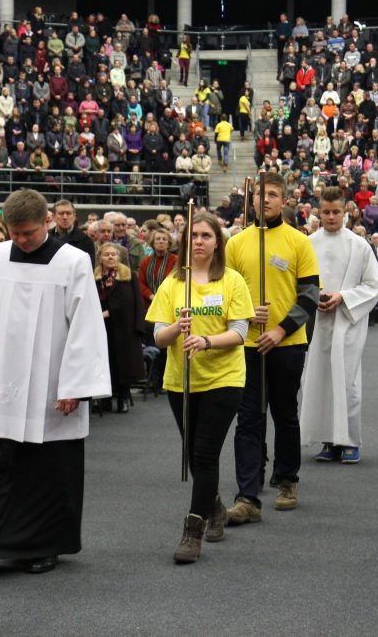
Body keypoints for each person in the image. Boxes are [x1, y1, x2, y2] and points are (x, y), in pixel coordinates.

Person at [0, 190, 110, 574]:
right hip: (3, 382)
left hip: (51, 387)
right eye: (14, 233)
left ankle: (44, 546)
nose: (21, 241)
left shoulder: (73, 261)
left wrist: (75, 386)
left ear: (47, 222)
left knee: (47, 470)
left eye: (28, 233)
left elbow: (85, 328)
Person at [146, 210, 254, 563]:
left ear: (217, 242)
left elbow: (239, 333)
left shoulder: (233, 281)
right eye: (193, 236)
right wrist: (177, 328)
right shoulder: (173, 283)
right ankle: (216, 507)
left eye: (206, 236)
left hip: (223, 379)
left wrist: (206, 341)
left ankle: (193, 530)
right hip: (180, 380)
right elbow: (159, 338)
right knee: (194, 454)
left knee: (205, 454)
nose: (198, 242)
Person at [225, 172, 320, 522]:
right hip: (246, 343)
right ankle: (247, 495)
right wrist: (247, 316)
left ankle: (286, 477)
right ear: (251, 200)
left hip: (287, 343)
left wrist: (280, 330)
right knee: (248, 417)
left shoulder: (299, 242)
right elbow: (226, 295)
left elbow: (310, 295)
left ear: (284, 201)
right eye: (260, 195)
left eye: (274, 195)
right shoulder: (236, 243)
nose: (266, 200)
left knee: (284, 413)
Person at [300, 187, 378, 465]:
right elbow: (299, 281)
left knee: (347, 380)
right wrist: (315, 299)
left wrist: (343, 297)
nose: (331, 217)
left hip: (347, 320)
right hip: (318, 320)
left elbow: (374, 283)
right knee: (319, 378)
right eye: (326, 212)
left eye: (337, 212)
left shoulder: (358, 245)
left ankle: (349, 441)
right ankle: (328, 440)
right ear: (318, 212)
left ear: (346, 211)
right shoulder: (309, 243)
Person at [96, 242, 146, 412]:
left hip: (125, 327)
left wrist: (139, 327)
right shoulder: (94, 277)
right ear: (100, 258)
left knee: (124, 365)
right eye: (106, 254)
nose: (110, 257)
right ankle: (105, 399)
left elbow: (136, 302)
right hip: (101, 327)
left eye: (113, 254)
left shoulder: (128, 275)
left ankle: (123, 398)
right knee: (106, 363)